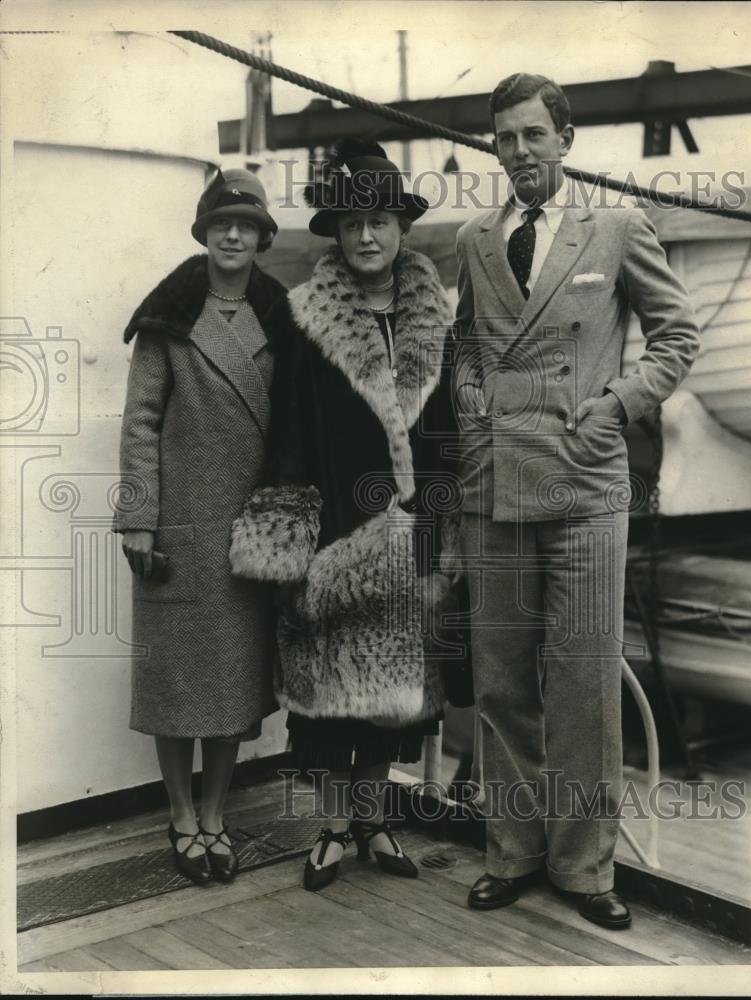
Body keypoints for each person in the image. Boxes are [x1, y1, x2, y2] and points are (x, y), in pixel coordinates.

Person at [452, 73, 700, 928]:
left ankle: (586, 868)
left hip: (588, 485)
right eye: (505, 137)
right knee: (501, 683)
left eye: (532, 135)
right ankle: (513, 854)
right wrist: (472, 410)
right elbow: (463, 349)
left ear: (564, 139)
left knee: (585, 680)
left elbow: (679, 336)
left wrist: (620, 406)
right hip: (496, 488)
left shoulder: (620, 229)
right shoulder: (478, 238)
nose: (518, 152)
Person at [229, 139, 457, 892]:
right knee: (329, 696)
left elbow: (448, 436)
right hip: (335, 536)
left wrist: (441, 536)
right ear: (335, 232)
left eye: (380, 220)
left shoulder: (436, 321)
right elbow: (288, 435)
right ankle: (333, 824)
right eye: (353, 222)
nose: (367, 235)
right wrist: (294, 541)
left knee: (395, 698)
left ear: (402, 228)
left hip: (414, 531)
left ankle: (375, 818)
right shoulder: (307, 320)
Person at [115, 168, 295, 885]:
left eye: (246, 226)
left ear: (260, 237)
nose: (232, 235)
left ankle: (216, 814)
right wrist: (138, 519)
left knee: (231, 692)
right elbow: (140, 424)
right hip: (180, 533)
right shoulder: (169, 317)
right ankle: (180, 814)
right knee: (176, 688)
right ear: (204, 231)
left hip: (245, 537)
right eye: (221, 223)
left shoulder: (281, 317)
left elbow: (292, 427)